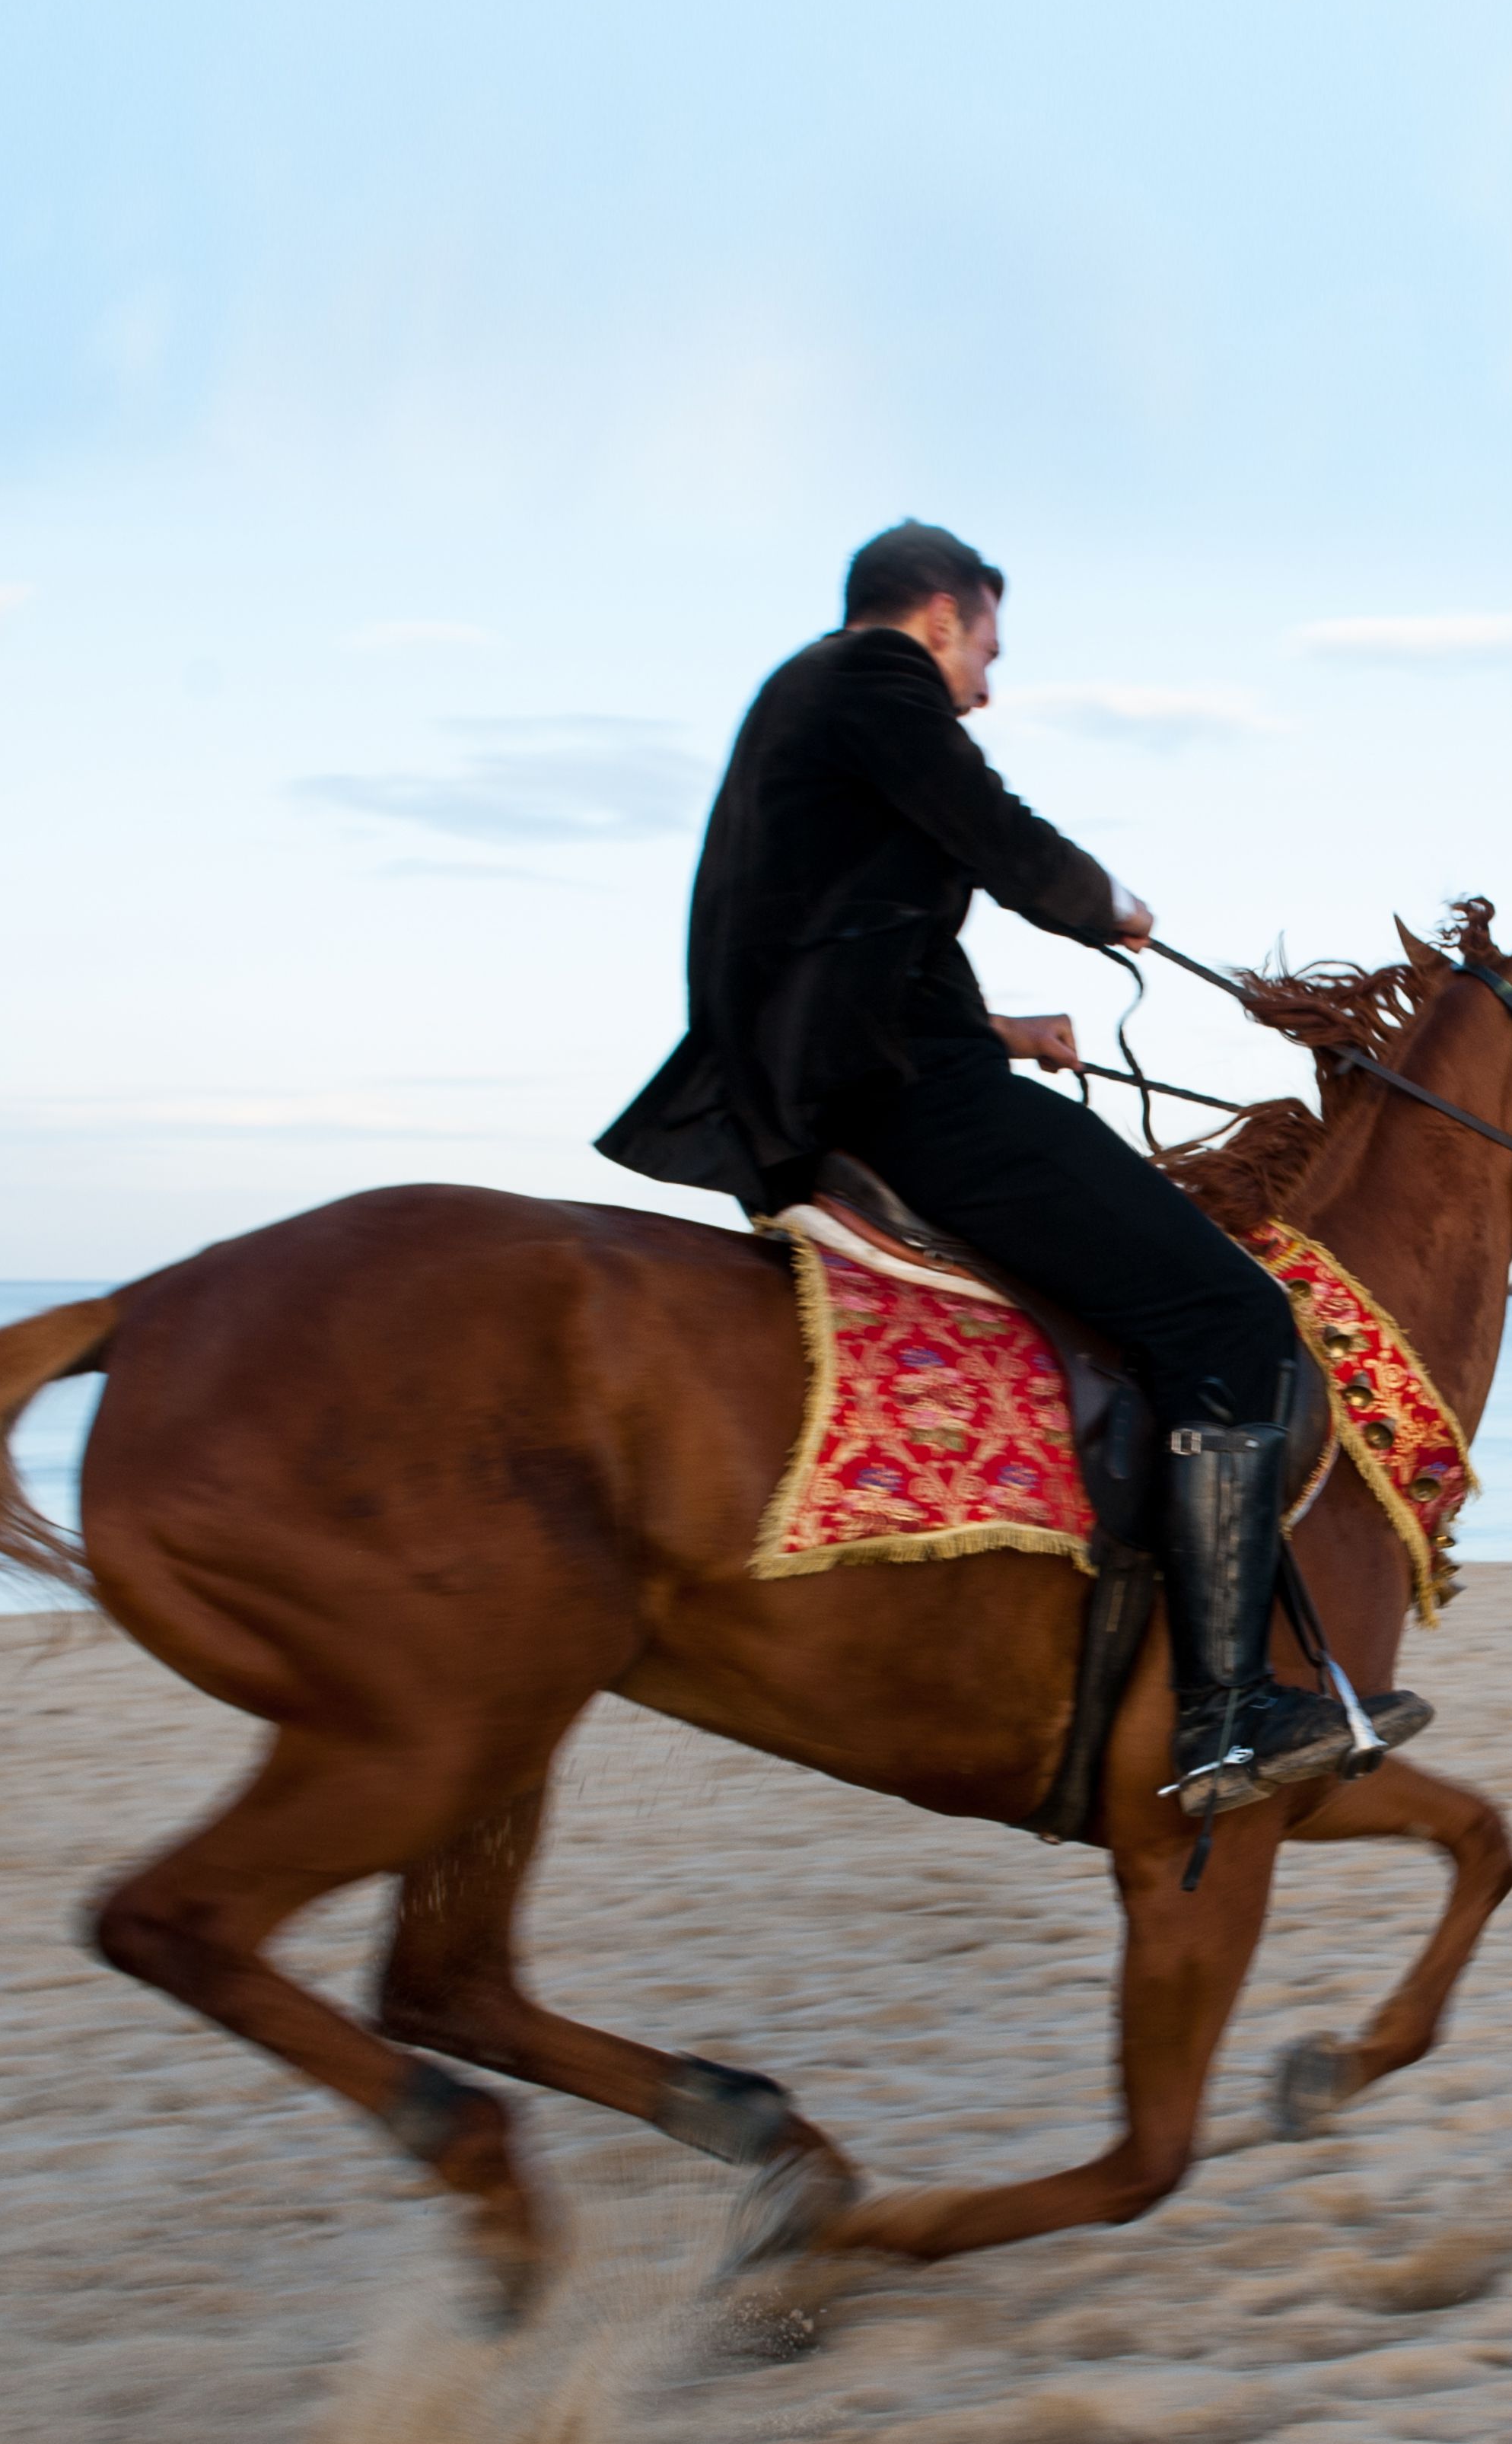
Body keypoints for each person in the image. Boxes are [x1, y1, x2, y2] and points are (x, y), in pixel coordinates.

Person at [600, 520, 1424, 1816]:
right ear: (941, 616)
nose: (989, 677)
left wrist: (1006, 1030)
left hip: (877, 1068)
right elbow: (992, 825)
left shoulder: (805, 709)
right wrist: (1105, 904)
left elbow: (837, 935)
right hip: (902, 1097)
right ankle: (1225, 1709)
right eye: (989, 642)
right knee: (1232, 1314)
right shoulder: (873, 681)